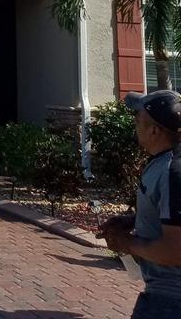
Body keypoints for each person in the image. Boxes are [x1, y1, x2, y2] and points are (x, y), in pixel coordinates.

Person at [100, 90, 181, 318]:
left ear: (154, 131)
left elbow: (175, 250)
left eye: (138, 122)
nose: (134, 126)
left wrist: (127, 243)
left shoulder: (172, 171)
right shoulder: (164, 161)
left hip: (169, 301)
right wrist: (134, 220)